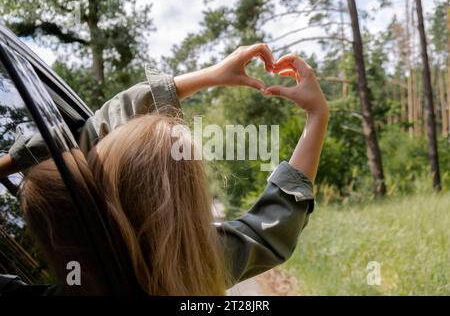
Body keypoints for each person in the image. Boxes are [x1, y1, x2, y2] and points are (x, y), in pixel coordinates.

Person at [0, 45, 328, 295]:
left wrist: (212, 75)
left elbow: (82, 135)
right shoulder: (188, 263)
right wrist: (317, 114)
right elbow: (272, 225)